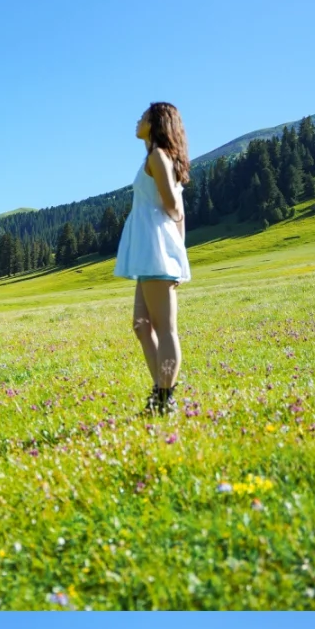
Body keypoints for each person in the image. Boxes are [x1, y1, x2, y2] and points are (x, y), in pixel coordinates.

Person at [113, 101, 192, 415]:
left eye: (143, 116)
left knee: (164, 327)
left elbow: (175, 207)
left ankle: (164, 398)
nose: (138, 120)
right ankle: (161, 393)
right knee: (142, 325)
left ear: (156, 122)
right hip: (152, 247)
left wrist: (173, 251)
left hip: (156, 246)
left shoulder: (159, 156)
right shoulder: (157, 157)